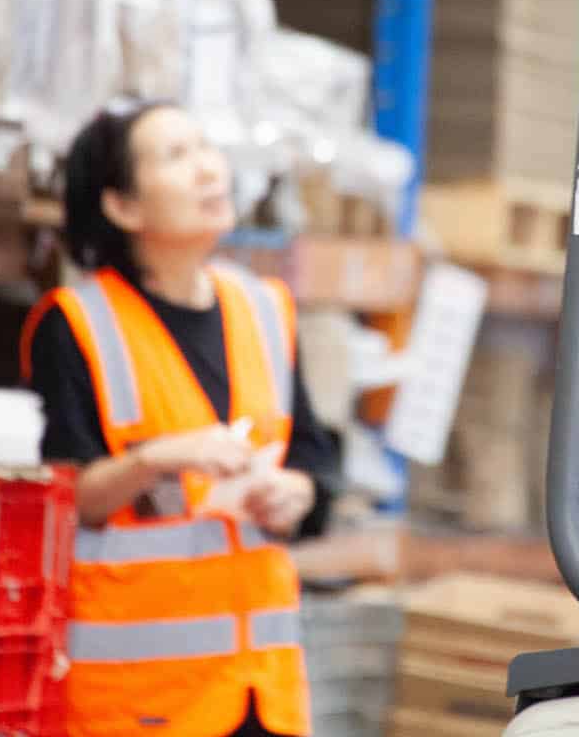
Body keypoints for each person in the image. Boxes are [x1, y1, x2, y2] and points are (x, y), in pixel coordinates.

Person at [21, 98, 340, 737]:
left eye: (205, 149)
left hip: (261, 692)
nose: (207, 170)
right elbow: (64, 500)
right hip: (144, 702)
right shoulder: (78, 325)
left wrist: (297, 492)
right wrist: (155, 459)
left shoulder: (264, 309)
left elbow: (312, 451)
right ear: (122, 207)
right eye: (176, 157)